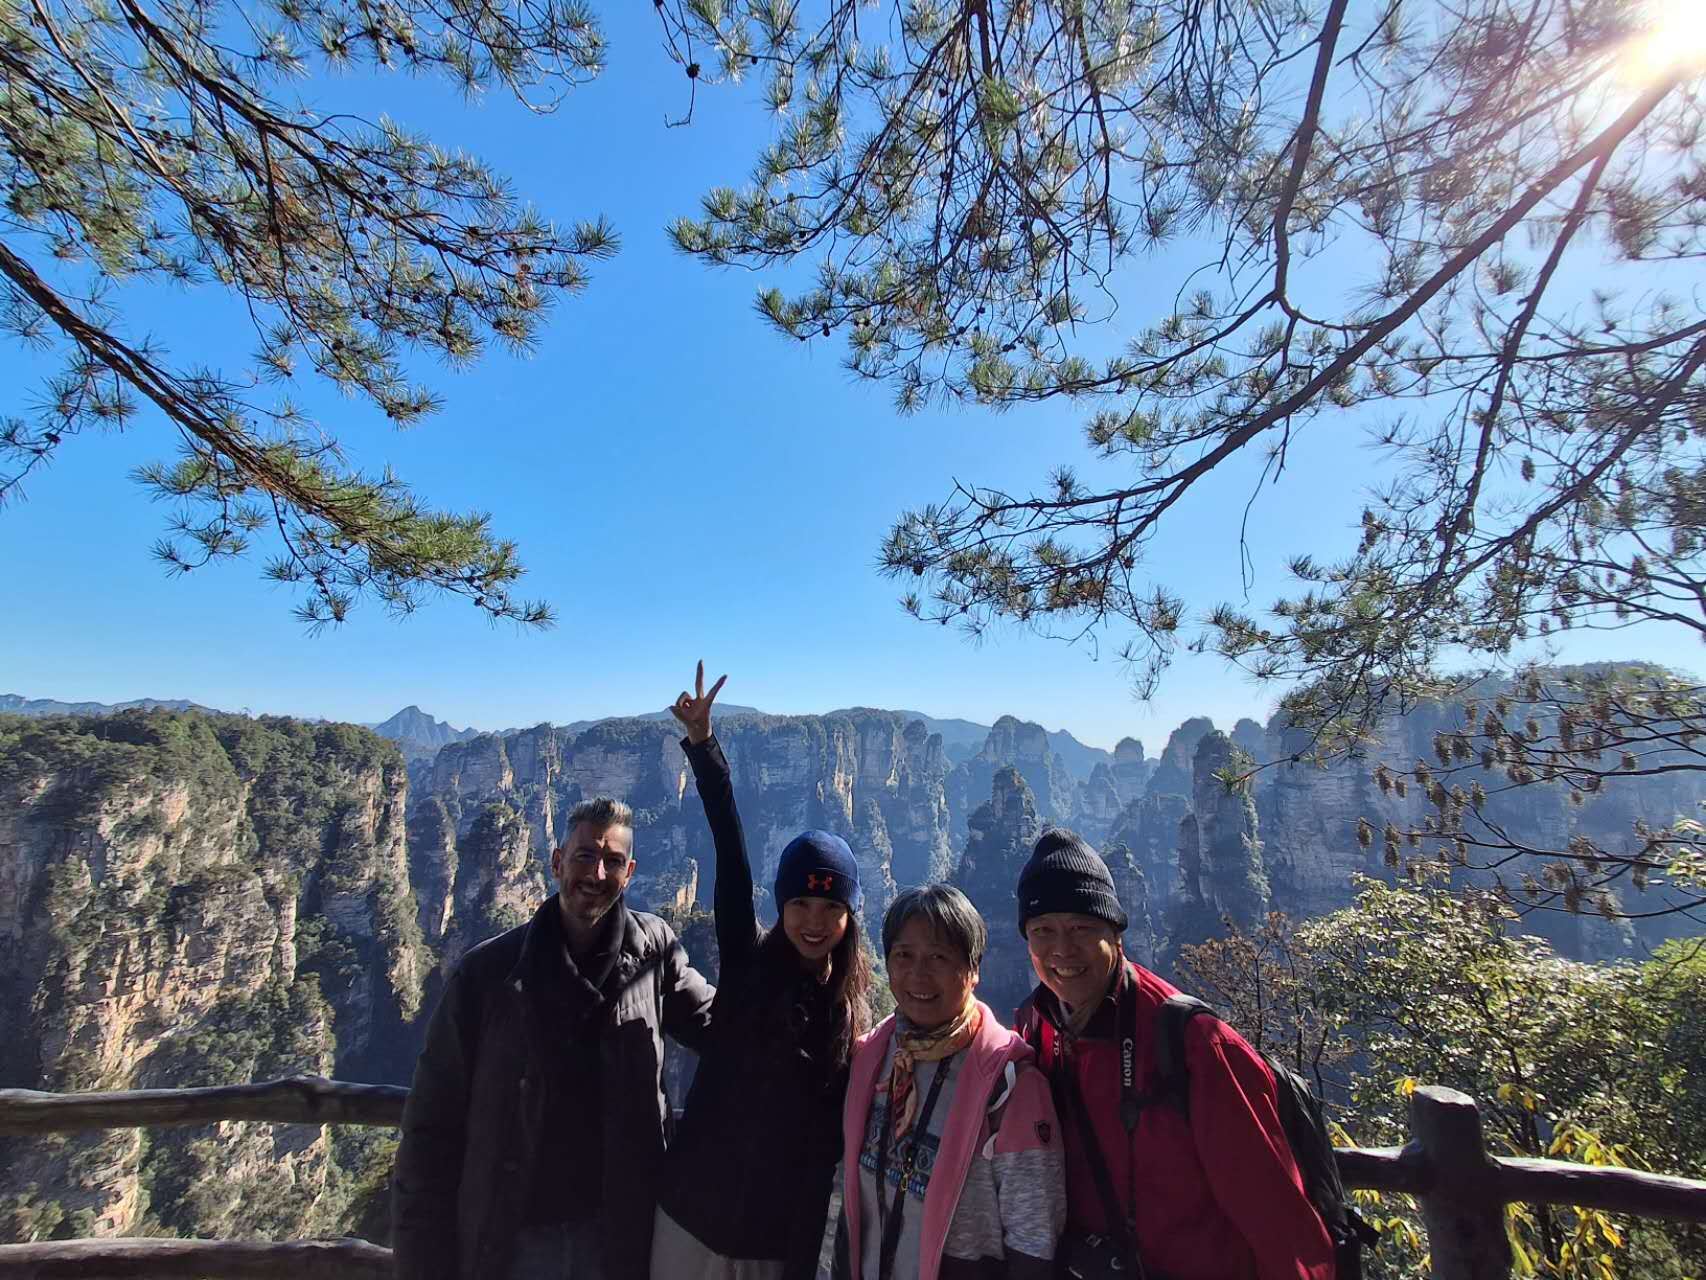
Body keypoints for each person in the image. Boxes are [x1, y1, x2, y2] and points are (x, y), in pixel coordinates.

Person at [393, 795, 716, 1280]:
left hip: (621, 1234)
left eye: (612, 862)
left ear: (629, 873)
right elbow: (431, 1127)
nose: (597, 874)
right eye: (585, 856)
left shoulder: (654, 952)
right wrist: (422, 1261)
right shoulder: (486, 975)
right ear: (557, 861)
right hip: (516, 1239)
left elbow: (720, 1026)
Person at [1014, 828, 1335, 1280]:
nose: (1062, 949)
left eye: (1082, 928)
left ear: (1117, 935)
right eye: (1043, 930)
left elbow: (1283, 1227)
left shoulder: (1196, 1046)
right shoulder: (1034, 1028)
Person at [653, 662, 874, 1280]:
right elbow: (729, 847)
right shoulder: (748, 965)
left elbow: (825, 1154)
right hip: (686, 1220)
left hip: (772, 1243)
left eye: (831, 907)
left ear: (849, 918)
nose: (812, 920)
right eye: (800, 903)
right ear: (780, 906)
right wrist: (703, 744)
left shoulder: (850, 1014)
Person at [837, 884, 1066, 1280]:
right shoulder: (871, 1057)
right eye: (903, 955)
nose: (918, 975)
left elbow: (1034, 1239)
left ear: (974, 969)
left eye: (939, 957)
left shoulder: (1010, 1085)